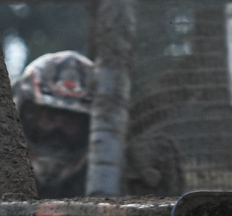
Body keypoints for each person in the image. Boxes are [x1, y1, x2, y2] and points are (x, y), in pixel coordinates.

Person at [14, 50, 185, 200]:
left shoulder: (123, 173)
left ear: (90, 126)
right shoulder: (0, 166)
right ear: (23, 115)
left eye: (70, 122)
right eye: (48, 118)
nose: (56, 131)